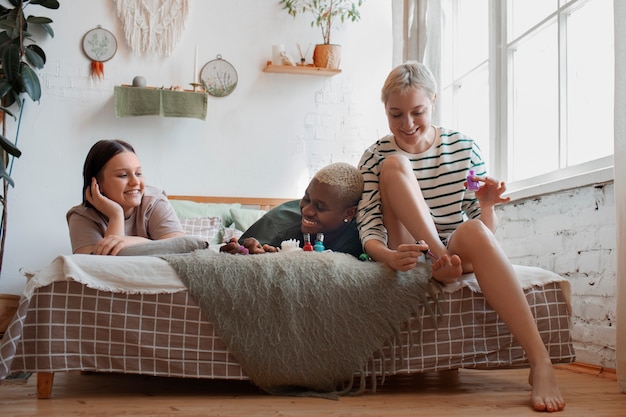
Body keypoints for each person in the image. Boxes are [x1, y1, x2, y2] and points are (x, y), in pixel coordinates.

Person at [357, 61, 565, 412]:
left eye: (417, 112)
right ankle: (439, 257)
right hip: (412, 248)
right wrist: (389, 257)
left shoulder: (465, 147)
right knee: (395, 165)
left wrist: (486, 207)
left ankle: (540, 361)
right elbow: (369, 224)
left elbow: (484, 234)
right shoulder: (376, 154)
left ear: (433, 101)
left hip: (456, 250)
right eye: (396, 115)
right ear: (385, 110)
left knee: (472, 229)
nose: (407, 124)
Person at [220, 162, 364, 258]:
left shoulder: (364, 236)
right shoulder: (277, 225)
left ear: (350, 213)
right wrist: (244, 251)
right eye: (306, 199)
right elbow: (235, 252)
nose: (307, 211)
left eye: (320, 207)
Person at [67, 139, 184, 255]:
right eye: (123, 175)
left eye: (138, 173)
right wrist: (116, 215)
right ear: (97, 183)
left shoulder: (154, 201)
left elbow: (180, 248)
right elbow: (97, 268)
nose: (135, 182)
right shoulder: (81, 217)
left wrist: (131, 242)